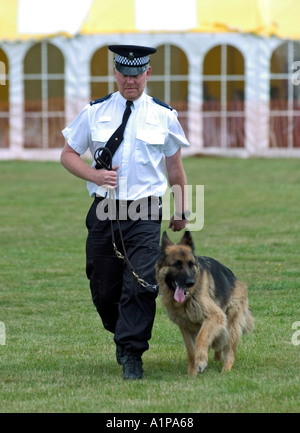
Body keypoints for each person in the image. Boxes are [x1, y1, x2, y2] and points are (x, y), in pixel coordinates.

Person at [60, 45, 190, 380]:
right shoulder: (95, 112)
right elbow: (68, 154)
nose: (130, 80)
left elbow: (174, 168)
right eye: (124, 74)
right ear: (115, 73)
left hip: (146, 210)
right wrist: (94, 175)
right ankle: (121, 332)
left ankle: (132, 353)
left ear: (147, 73)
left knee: (142, 283)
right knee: (104, 288)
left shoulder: (164, 116)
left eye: (136, 74)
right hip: (104, 208)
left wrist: (183, 208)